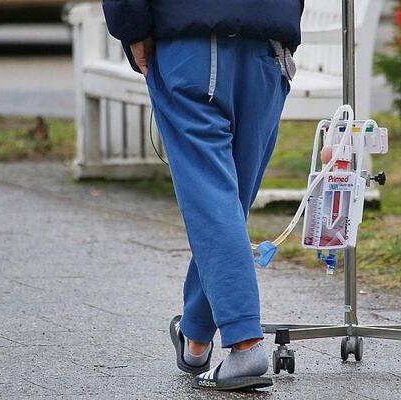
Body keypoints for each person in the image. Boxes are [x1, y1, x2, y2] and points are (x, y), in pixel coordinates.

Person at [102, 0, 303, 391]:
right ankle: (195, 336)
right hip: (268, 45)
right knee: (226, 204)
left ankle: (245, 344)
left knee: (214, 201)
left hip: (191, 43)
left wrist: (132, 30)